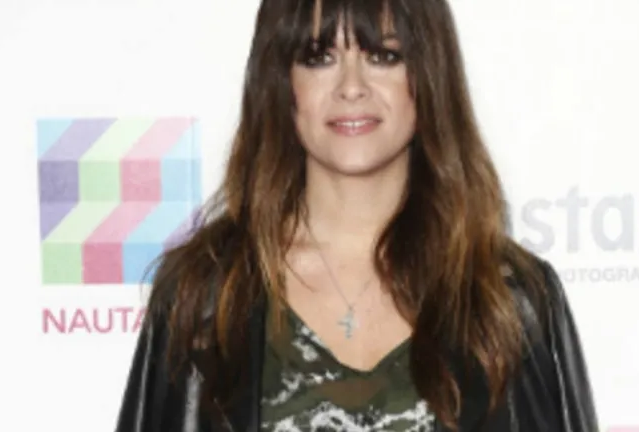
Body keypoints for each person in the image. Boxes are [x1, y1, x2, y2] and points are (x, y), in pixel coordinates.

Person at [115, 0, 598, 430]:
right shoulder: (203, 297)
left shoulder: (511, 300)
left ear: (428, 76)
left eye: (383, 56)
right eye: (318, 57)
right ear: (282, 84)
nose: (351, 87)